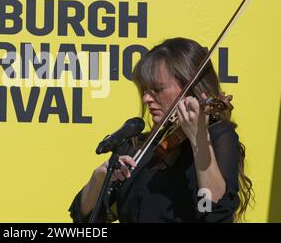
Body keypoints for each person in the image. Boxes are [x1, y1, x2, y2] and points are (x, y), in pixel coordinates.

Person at [68, 37, 253, 223]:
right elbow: (84, 218)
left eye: (157, 89)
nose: (146, 99)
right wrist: (98, 178)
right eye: (145, 90)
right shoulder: (137, 147)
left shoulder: (217, 137)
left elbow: (215, 213)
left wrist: (199, 140)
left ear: (190, 90)